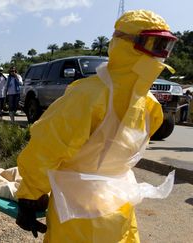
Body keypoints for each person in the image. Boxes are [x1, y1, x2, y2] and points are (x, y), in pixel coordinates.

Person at [15, 10, 177, 241]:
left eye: (165, 46)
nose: (159, 54)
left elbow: (45, 148)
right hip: (118, 205)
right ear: (126, 43)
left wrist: (30, 196)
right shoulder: (150, 104)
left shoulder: (88, 95)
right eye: (153, 43)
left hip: (78, 214)